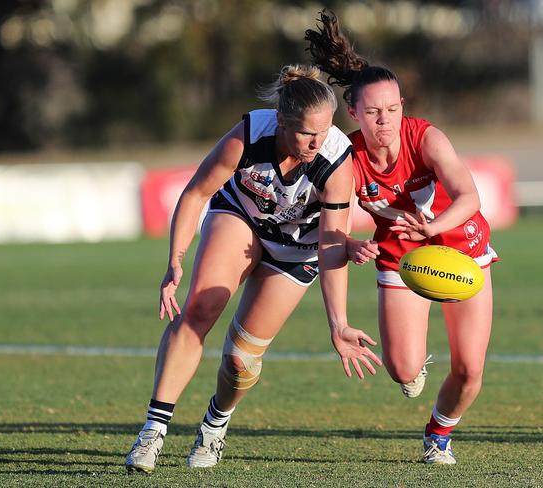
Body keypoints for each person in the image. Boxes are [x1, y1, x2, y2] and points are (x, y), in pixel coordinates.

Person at [124, 64, 383, 473]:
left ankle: (215, 423)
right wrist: (175, 262)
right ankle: (153, 430)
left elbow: (332, 244)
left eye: (325, 130)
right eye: (305, 133)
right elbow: (195, 194)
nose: (317, 142)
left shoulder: (334, 162)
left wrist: (339, 323)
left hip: (297, 250)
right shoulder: (248, 135)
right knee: (198, 311)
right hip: (241, 218)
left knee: (240, 361)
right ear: (281, 121)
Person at [306, 11, 499, 465]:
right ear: (352, 112)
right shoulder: (347, 157)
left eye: (393, 109)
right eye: (372, 112)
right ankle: (413, 368)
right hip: (401, 254)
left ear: (403, 107)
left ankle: (439, 434)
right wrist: (353, 245)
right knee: (403, 370)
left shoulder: (426, 137)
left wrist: (433, 227)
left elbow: (469, 195)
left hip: (461, 248)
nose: (384, 120)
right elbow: (332, 224)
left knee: (470, 369)